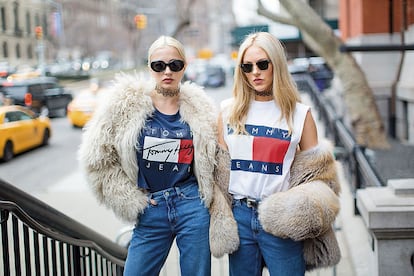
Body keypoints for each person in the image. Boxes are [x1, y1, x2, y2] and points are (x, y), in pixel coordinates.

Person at [78, 35, 237, 275]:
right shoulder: (125, 104)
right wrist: (130, 199)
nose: (167, 71)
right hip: (151, 208)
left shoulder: (201, 108)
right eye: (159, 65)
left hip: (192, 206)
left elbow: (217, 159)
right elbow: (97, 160)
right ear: (149, 67)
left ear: (184, 67)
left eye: (175, 65)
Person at [216, 32, 342, 275]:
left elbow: (319, 178)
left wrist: (298, 212)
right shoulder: (227, 111)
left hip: (281, 218)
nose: (255, 72)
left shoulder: (300, 114)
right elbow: (220, 173)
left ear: (277, 64)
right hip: (239, 217)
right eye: (247, 66)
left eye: (263, 64)